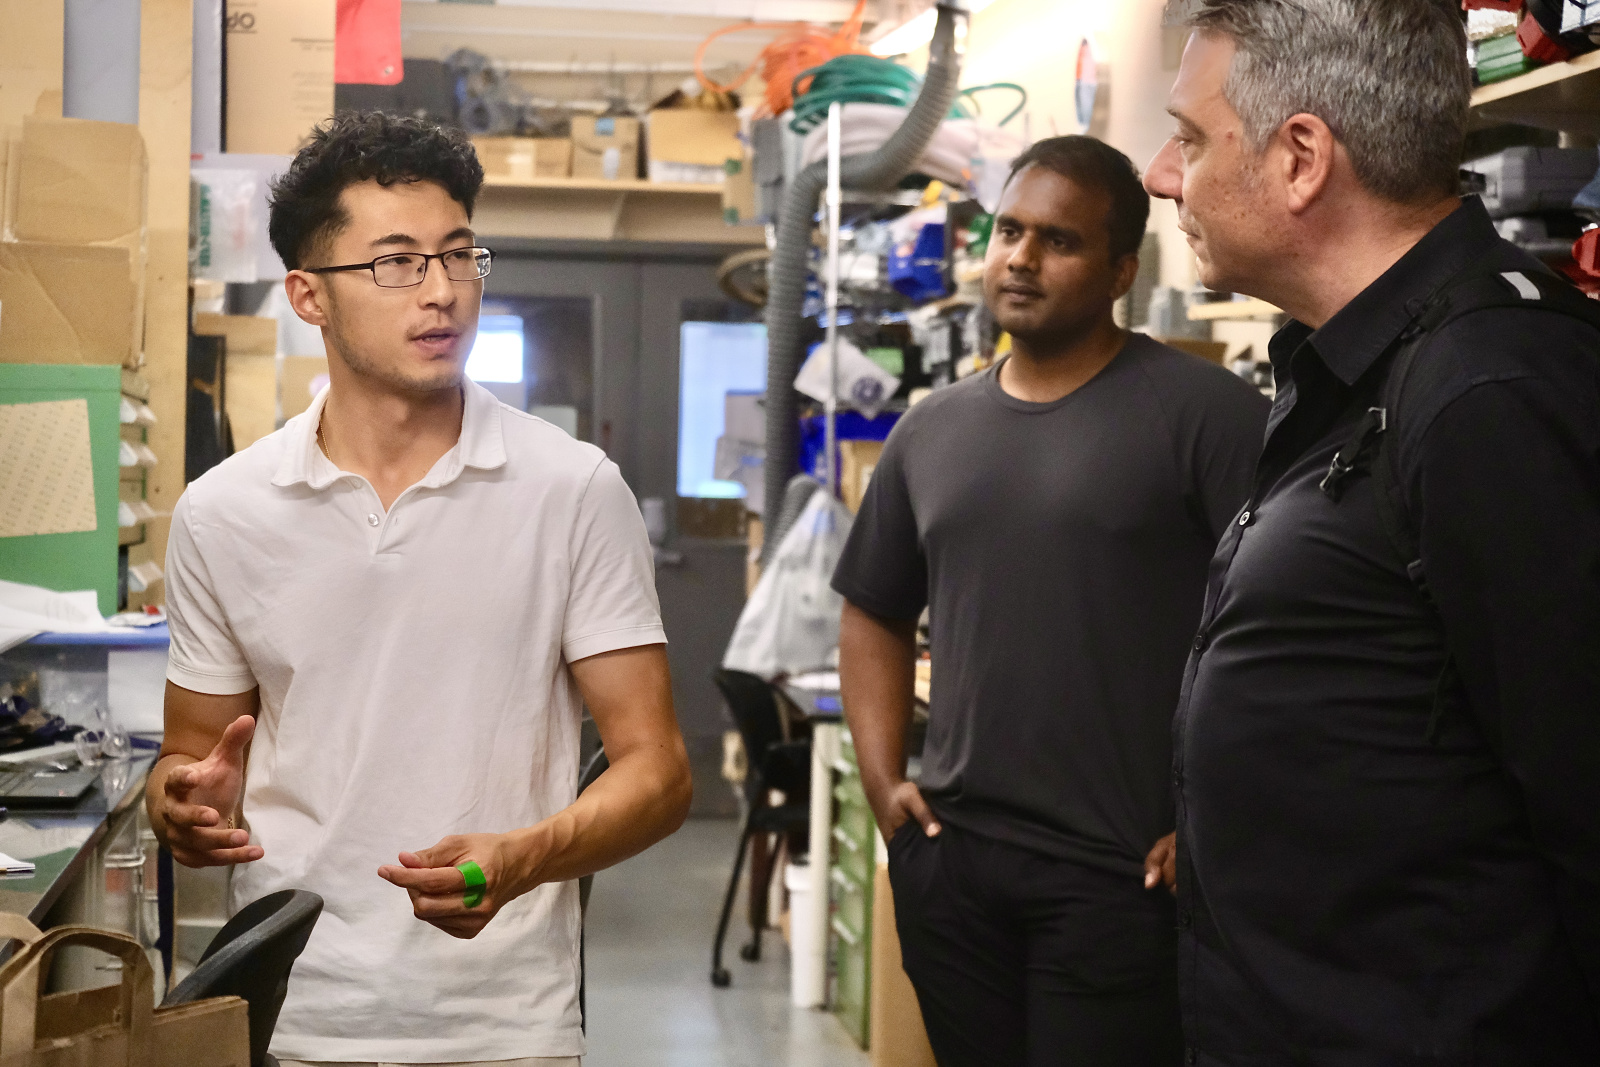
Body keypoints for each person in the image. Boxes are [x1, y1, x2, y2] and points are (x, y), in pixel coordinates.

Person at [146, 112, 692, 1067]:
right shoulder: (221, 511)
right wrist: (183, 807)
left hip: (504, 1026)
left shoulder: (572, 490)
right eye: (396, 262)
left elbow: (659, 773)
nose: (443, 292)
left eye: (459, 255)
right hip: (295, 1014)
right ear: (308, 295)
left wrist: (523, 859)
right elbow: (189, 760)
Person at [1144, 1, 1600, 1062]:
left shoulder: (1493, 387)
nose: (1165, 175)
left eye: (1193, 138)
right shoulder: (1348, 368)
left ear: (1300, 157)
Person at [833, 135, 1270, 1066]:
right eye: (1008, 231)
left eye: (1059, 242)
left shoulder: (1210, 418)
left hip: (1122, 877)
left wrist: (1222, 824)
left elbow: (1285, 636)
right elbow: (872, 606)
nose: (1021, 259)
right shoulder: (930, 430)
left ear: (1119, 270)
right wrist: (882, 782)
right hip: (954, 862)